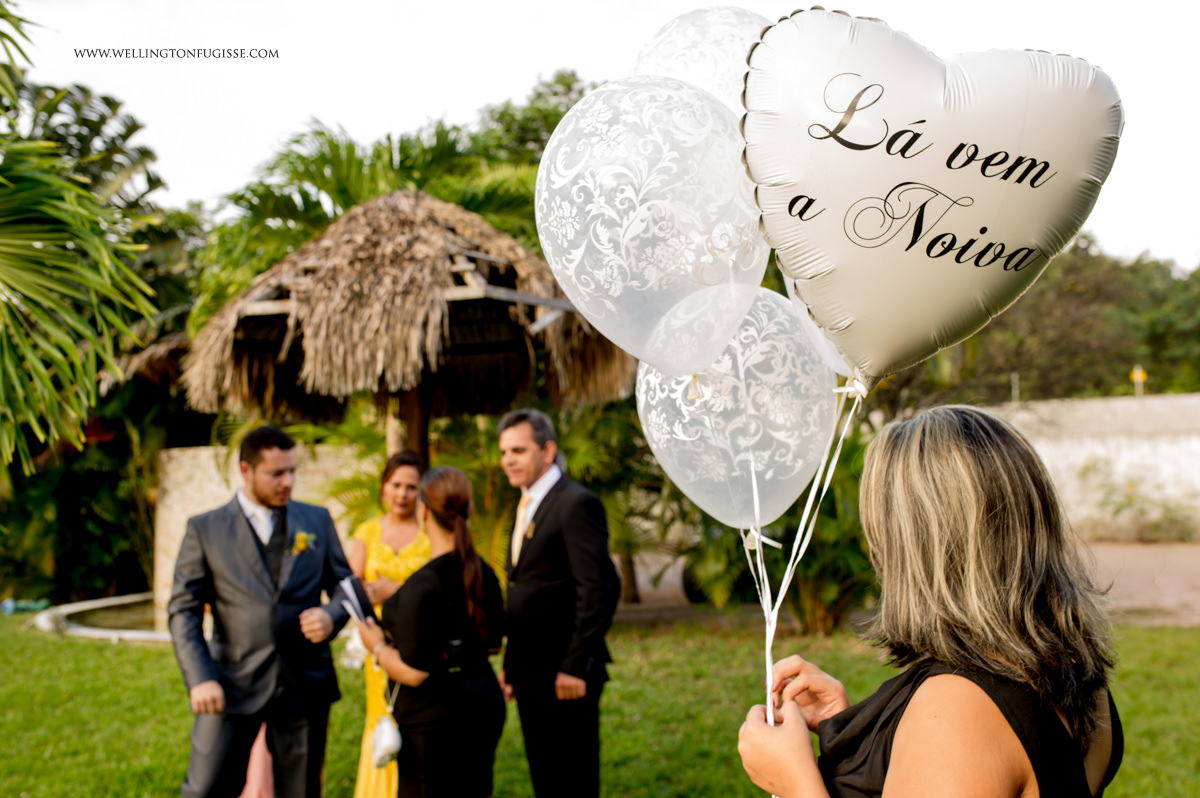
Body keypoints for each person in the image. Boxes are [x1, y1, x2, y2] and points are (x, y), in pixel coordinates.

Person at [738, 405, 1123, 798]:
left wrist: (795, 783)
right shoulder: (1078, 677)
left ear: (913, 547)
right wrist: (862, 736)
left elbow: (964, 751)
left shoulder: (959, 712)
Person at [168, 425, 356, 798]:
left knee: (301, 791)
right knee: (206, 788)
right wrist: (200, 677)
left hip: (304, 683)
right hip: (230, 682)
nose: (288, 482)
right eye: (276, 474)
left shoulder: (315, 520)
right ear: (245, 471)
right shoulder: (205, 529)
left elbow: (345, 586)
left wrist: (332, 615)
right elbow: (183, 610)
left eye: (292, 471)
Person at [356, 466, 506, 798]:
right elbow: (493, 645)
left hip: (433, 718)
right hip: (482, 703)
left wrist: (377, 645)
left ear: (423, 511)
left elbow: (413, 672)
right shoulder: (483, 571)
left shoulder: (422, 584)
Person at [496, 408, 621, 798]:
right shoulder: (526, 502)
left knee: (573, 782)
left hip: (566, 675)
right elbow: (524, 590)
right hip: (531, 672)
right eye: (503, 453)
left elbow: (599, 588)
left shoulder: (574, 503)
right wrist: (511, 666)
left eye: (518, 450)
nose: (508, 460)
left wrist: (575, 666)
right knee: (546, 779)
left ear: (548, 451)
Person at [348, 451, 432, 798]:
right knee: (382, 716)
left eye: (411, 487)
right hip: (378, 642)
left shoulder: (431, 532)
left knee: (415, 717)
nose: (402, 494)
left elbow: (442, 586)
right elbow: (350, 589)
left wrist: (398, 590)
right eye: (396, 485)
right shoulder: (367, 532)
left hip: (421, 642)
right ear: (384, 488)